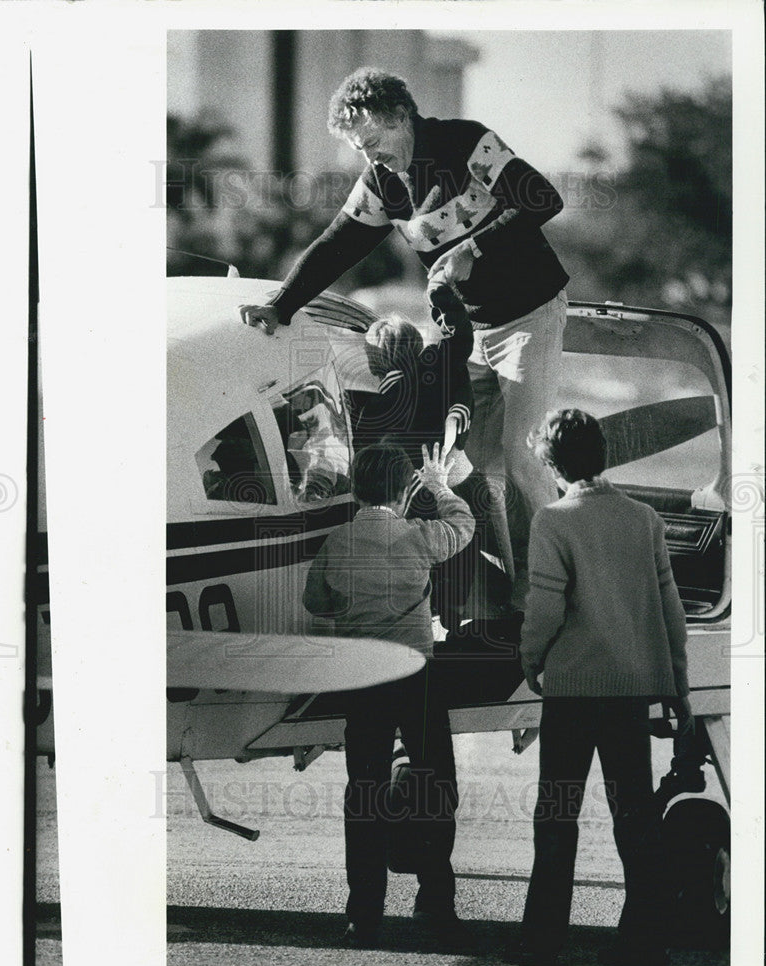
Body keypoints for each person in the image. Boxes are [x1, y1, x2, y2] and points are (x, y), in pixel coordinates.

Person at [239, 67, 569, 608]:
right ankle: (510, 588)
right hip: (470, 328)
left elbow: (544, 199)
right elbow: (336, 247)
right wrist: (280, 306)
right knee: (466, 462)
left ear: (401, 116)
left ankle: (559, 585)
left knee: (521, 452)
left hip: (530, 313)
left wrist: (472, 249)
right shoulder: (382, 183)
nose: (369, 156)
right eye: (357, 148)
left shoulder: (467, 142)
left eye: (372, 142)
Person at [513, 409, 692, 966]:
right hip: (630, 693)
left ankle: (542, 940)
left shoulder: (554, 521)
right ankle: (646, 939)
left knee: (557, 815)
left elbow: (544, 609)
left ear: (551, 463)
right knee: (634, 816)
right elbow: (671, 612)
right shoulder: (644, 519)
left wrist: (530, 659)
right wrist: (678, 688)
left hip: (572, 693)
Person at [302, 441, 474, 948]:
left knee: (366, 791)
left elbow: (317, 601)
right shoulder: (420, 536)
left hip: (362, 679)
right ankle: (436, 902)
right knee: (437, 783)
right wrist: (441, 485)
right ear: (404, 492)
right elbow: (464, 525)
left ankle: (365, 914)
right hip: (415, 675)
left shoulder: (338, 542)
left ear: (357, 489)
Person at [353, 272, 480, 632]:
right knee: (462, 544)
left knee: (421, 555)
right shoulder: (438, 367)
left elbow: (364, 445)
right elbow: (461, 339)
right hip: (457, 475)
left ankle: (428, 618)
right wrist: (443, 296)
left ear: (378, 359)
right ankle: (455, 618)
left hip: (410, 488)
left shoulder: (383, 397)